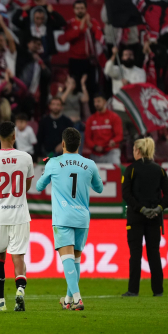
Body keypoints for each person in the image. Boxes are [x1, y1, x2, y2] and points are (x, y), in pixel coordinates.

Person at [35, 128, 104, 311]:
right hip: (82, 218)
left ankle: (78, 299)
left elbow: (39, 186)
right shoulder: (90, 164)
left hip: (63, 217)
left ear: (63, 144)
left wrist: (48, 170)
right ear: (79, 145)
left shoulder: (54, 163)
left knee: (67, 258)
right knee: (75, 260)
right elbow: (99, 188)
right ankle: (68, 299)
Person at [0, 121, 35, 312]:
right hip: (20, 213)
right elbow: (27, 186)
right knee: (18, 257)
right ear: (15, 136)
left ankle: (0, 302)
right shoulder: (26, 158)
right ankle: (20, 290)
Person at [121, 138, 168, 298]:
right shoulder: (159, 170)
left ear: (137, 151)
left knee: (135, 254)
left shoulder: (130, 169)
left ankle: (133, 290)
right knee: (154, 254)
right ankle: (158, 290)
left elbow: (126, 194)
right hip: (155, 218)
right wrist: (158, 208)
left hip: (136, 218)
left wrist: (141, 209)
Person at [58, 0, 103, 86]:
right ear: (73, 10)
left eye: (82, 8)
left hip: (90, 60)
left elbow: (99, 35)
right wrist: (81, 27)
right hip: (75, 60)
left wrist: (89, 24)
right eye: (77, 8)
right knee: (75, 86)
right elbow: (66, 38)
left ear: (86, 9)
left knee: (91, 86)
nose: (80, 10)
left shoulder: (93, 22)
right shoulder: (70, 23)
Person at [84, 94, 123, 164]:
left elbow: (119, 135)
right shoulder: (90, 119)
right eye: (95, 102)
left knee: (116, 164)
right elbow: (87, 138)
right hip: (95, 153)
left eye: (98, 101)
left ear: (104, 102)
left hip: (110, 151)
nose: (96, 104)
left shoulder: (114, 117)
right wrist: (95, 147)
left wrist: (113, 141)